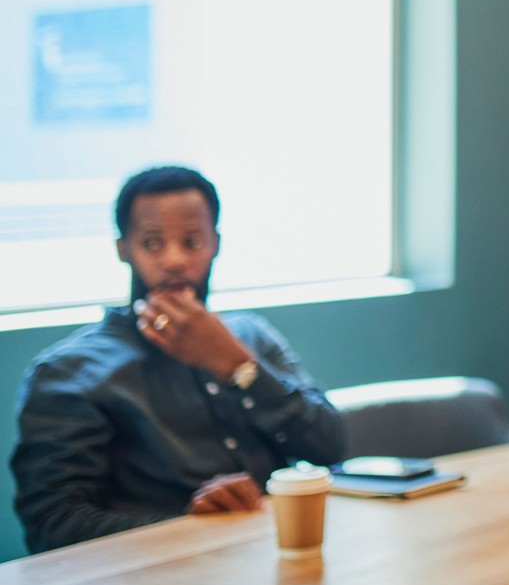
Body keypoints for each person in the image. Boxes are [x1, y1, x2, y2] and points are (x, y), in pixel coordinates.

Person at [11, 165, 346, 553]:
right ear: (124, 249)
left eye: (192, 241)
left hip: (273, 558)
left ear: (215, 243)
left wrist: (240, 367)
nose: (174, 260)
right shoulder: (69, 372)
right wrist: (189, 524)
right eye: (152, 243)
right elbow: (51, 525)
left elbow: (329, 447)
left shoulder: (251, 337)